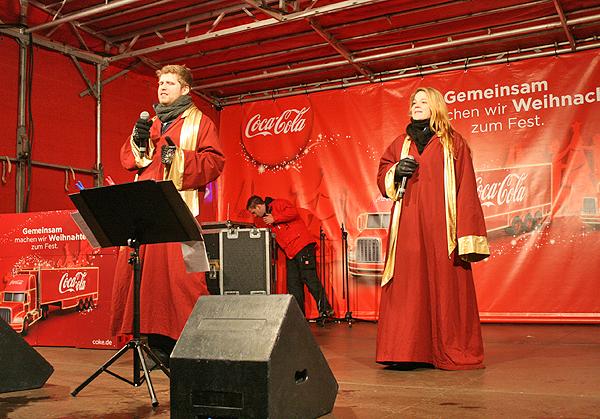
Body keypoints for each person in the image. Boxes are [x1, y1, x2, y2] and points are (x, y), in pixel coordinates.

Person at [109, 64, 225, 366]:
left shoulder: (201, 122)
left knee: (184, 280)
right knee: (147, 282)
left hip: (179, 211)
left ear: (185, 89)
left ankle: (189, 346)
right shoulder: (153, 122)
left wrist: (179, 158)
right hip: (146, 211)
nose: (162, 87)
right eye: (161, 82)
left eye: (170, 82)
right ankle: (156, 347)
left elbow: (214, 162)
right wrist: (139, 139)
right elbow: (130, 162)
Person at [376, 87, 490, 370]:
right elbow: (383, 173)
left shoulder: (454, 143)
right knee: (408, 285)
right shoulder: (400, 143)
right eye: (414, 102)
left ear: (436, 106)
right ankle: (406, 352)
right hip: (409, 224)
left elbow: (466, 188)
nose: (416, 106)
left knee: (444, 283)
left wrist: (466, 233)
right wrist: (394, 172)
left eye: (423, 102)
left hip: (443, 228)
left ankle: (448, 348)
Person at [246, 195, 334, 318]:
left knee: (310, 278)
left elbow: (293, 212)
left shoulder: (278, 203)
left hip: (302, 246)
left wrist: (275, 218)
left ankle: (325, 309)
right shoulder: (264, 221)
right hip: (291, 252)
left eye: (254, 212)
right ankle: (299, 316)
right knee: (293, 284)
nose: (255, 216)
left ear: (259, 206)